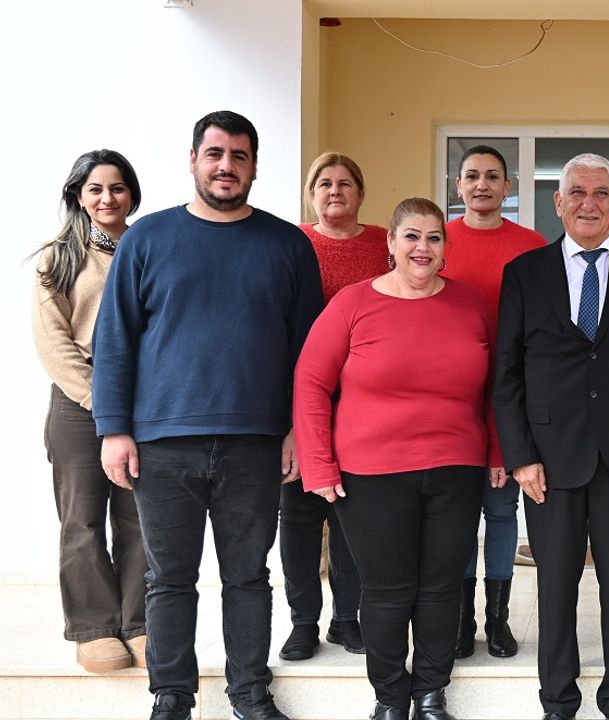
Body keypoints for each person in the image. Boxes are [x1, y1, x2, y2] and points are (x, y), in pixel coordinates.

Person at [93, 110, 324, 720]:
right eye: (215, 153)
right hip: (164, 441)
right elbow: (115, 340)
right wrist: (114, 429)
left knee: (248, 576)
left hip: (256, 441)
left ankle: (249, 692)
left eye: (239, 156)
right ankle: (172, 696)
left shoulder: (287, 245)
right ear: (193, 160)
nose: (227, 166)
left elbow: (309, 353)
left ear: (254, 167)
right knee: (169, 578)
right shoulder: (147, 239)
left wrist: (299, 430)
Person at [294, 197, 500, 720]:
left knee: (441, 588)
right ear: (390, 242)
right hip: (371, 474)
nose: (422, 247)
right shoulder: (352, 303)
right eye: (411, 236)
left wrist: (499, 452)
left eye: (433, 237)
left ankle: (430, 693)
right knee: (387, 590)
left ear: (445, 247)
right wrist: (318, 464)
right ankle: (390, 698)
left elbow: (497, 388)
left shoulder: (472, 305)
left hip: (456, 468)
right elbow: (311, 383)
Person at [494, 153, 609, 720]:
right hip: (549, 460)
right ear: (558, 202)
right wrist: (520, 455)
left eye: (602, 193)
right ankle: (558, 699)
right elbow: (506, 373)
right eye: (577, 192)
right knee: (555, 585)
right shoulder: (525, 273)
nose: (589, 203)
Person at [32, 149, 148, 674]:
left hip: (143, 401)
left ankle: (139, 623)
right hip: (79, 401)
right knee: (81, 519)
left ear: (131, 194)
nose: (107, 198)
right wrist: (104, 403)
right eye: (96, 189)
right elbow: (52, 342)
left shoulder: (150, 247)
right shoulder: (58, 257)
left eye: (117, 188)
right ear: (78, 195)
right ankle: (95, 628)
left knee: (139, 517)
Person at [277, 151, 386, 662]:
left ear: (361, 193)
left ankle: (347, 618)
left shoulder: (384, 244)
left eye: (345, 183)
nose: (335, 191)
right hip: (302, 399)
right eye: (324, 183)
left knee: (352, 514)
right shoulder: (291, 243)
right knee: (300, 515)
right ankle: (303, 621)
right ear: (310, 194)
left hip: (364, 401)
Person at [440, 144, 544, 660]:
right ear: (458, 185)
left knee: (502, 510)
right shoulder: (438, 241)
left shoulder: (531, 246)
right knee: (459, 514)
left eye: (492, 176)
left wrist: (507, 441)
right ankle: (462, 620)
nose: (482, 184)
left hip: (512, 397)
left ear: (508, 187)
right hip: (450, 399)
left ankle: (497, 619)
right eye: (472, 176)